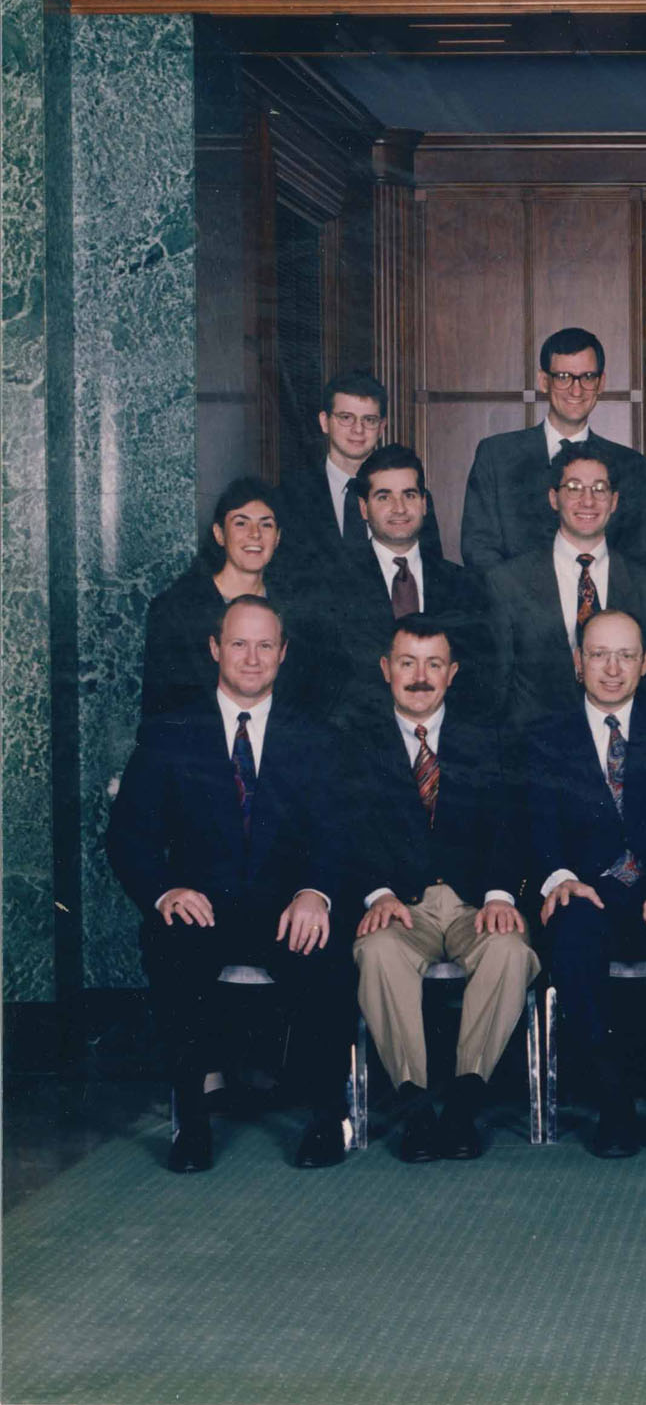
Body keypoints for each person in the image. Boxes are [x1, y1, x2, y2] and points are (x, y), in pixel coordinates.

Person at [107, 596, 350, 1173]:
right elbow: (128, 837)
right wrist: (166, 891)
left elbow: (340, 831)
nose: (252, 657)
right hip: (203, 908)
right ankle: (192, 1124)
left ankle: (325, 1120)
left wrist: (315, 892)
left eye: (265, 645)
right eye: (239, 643)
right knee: (172, 945)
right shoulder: (169, 732)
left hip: (285, 909)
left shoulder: (316, 736)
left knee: (327, 952)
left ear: (283, 653)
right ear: (215, 648)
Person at [344, 616, 538, 1163]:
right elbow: (343, 828)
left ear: (452, 673)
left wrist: (501, 895)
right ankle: (415, 1108)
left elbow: (513, 824)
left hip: (475, 904)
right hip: (400, 906)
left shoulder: (488, 738)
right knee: (378, 951)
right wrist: (377, 893)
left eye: (434, 664)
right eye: (408, 663)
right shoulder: (355, 742)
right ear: (386, 669)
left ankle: (463, 1104)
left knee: (510, 951)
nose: (420, 676)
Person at [527, 609, 646, 1158]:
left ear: (645, 662)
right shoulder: (545, 735)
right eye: (599, 655)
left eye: (626, 655)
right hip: (587, 889)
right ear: (577, 662)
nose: (612, 669)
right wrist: (560, 878)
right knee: (572, 934)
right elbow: (535, 821)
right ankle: (613, 1104)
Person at [487, 444, 646, 735]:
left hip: (621, 744)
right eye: (574, 488)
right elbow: (497, 689)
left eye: (599, 489)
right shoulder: (507, 582)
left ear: (614, 501)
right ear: (554, 498)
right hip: (533, 746)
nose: (587, 501)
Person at [459, 327, 646, 572]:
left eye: (587, 377)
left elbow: (636, 562)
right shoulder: (496, 456)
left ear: (601, 383)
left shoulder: (633, 466)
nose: (576, 390)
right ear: (544, 381)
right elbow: (478, 549)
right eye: (563, 377)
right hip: (512, 595)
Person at [323, 445, 491, 727]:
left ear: (424, 503)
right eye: (384, 496)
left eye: (409, 495)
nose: (399, 508)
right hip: (359, 739)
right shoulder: (331, 587)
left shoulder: (465, 586)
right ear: (363, 508)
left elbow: (478, 680)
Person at [142, 477, 295, 718]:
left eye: (266, 525)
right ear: (219, 534)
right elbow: (161, 708)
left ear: (277, 538)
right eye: (241, 523)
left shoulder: (292, 608)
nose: (255, 534)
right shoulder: (176, 610)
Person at [284, 370, 442, 566]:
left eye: (369, 420)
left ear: (382, 427)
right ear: (324, 422)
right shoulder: (291, 496)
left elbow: (431, 571)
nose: (358, 429)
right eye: (346, 417)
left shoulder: (412, 498)